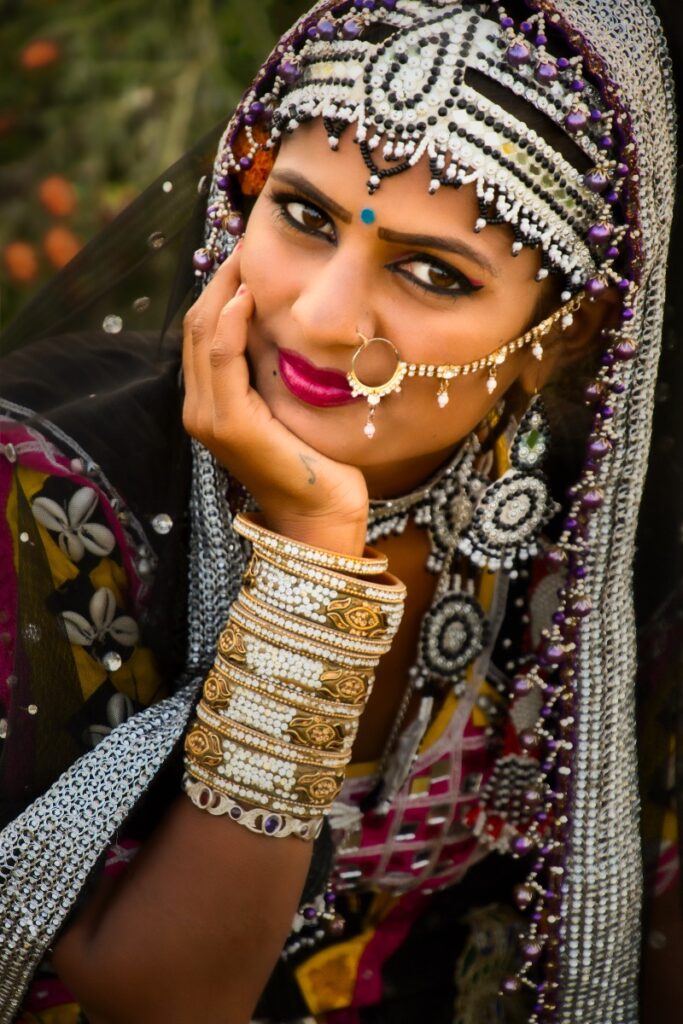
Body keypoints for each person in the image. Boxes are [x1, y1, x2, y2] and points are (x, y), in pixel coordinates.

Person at [0, 0, 680, 1021]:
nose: (316, 319)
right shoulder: (47, 503)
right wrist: (314, 552)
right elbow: (162, 997)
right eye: (305, 217)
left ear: (560, 332)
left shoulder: (577, 545)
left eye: (429, 272)